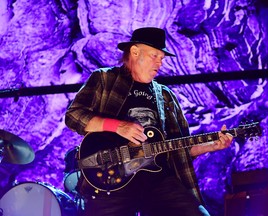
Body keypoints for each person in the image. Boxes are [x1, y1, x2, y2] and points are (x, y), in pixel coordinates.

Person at [65, 27, 233, 216]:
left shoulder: (166, 96)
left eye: (162, 58)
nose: (159, 63)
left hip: (158, 181)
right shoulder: (105, 79)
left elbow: (178, 149)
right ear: (135, 52)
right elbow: (74, 116)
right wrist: (118, 126)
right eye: (155, 56)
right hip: (111, 181)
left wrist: (210, 146)